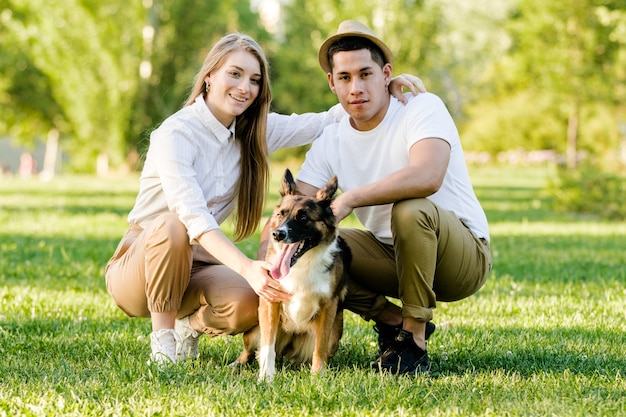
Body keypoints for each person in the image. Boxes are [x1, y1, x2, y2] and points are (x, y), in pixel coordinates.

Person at [104, 32, 425, 364]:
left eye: (254, 80)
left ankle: (190, 326)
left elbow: (325, 120)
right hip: (141, 268)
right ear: (209, 76)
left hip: (196, 263)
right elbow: (192, 216)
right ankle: (164, 343)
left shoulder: (253, 131)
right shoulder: (176, 133)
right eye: (235, 74)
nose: (245, 87)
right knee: (174, 225)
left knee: (253, 299)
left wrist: (381, 86)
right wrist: (247, 266)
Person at [286, 20, 492, 374]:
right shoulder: (331, 139)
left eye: (366, 74)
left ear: (386, 74)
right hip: (390, 257)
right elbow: (289, 213)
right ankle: (392, 320)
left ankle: (413, 341)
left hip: (459, 258)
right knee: (316, 243)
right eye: (346, 77)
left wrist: (352, 198)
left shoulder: (421, 108)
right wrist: (269, 270)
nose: (356, 88)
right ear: (332, 82)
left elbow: (427, 176)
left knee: (410, 209)